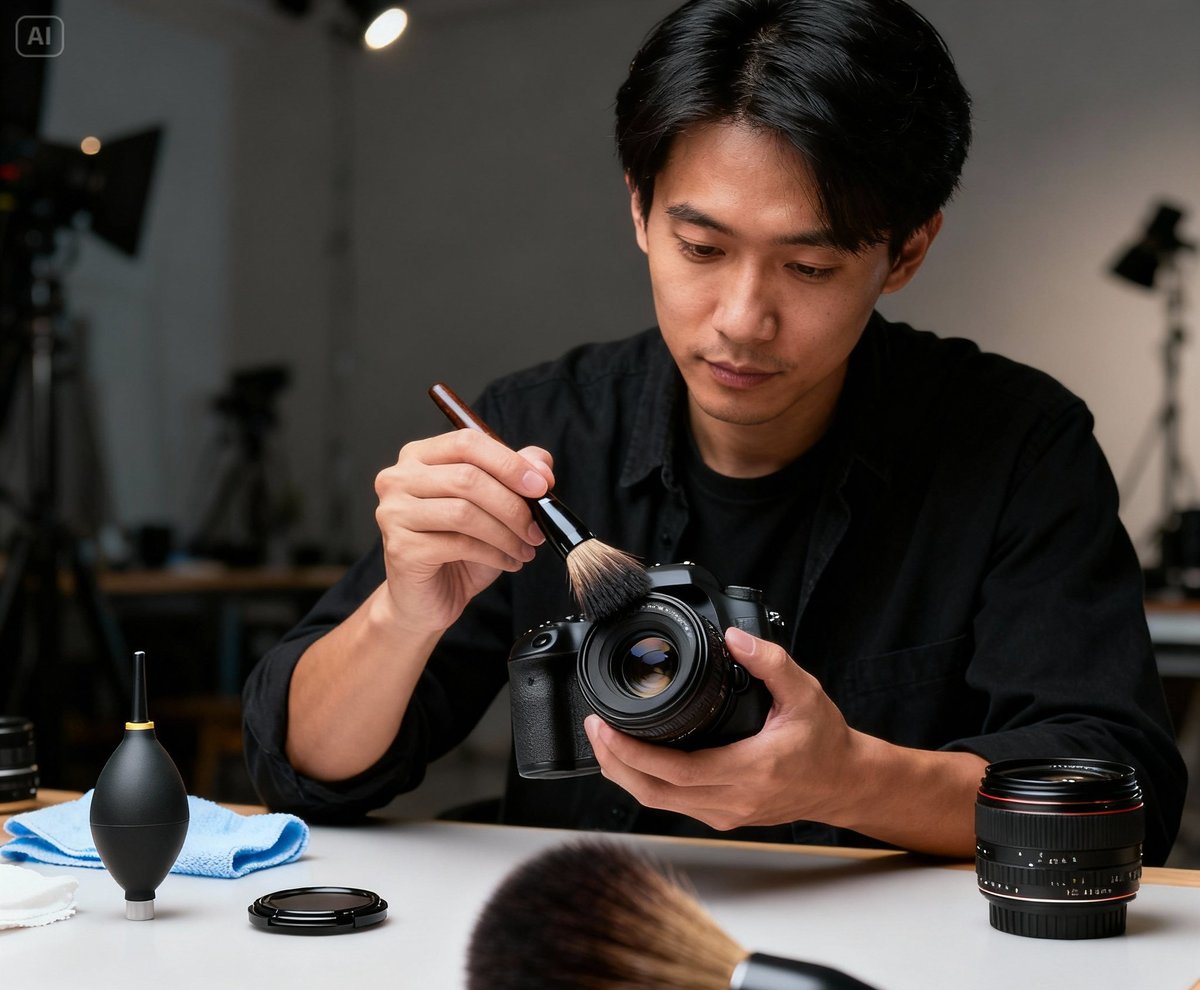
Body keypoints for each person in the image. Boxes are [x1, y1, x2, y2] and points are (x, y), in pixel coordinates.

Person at [242, 0, 1185, 863]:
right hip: (583, 966)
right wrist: (401, 618)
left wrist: (851, 780)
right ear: (640, 212)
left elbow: (1119, 795)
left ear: (907, 251)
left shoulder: (1016, 447)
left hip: (909, 979)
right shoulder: (540, 434)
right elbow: (307, 771)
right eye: (701, 249)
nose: (741, 318)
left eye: (808, 267)